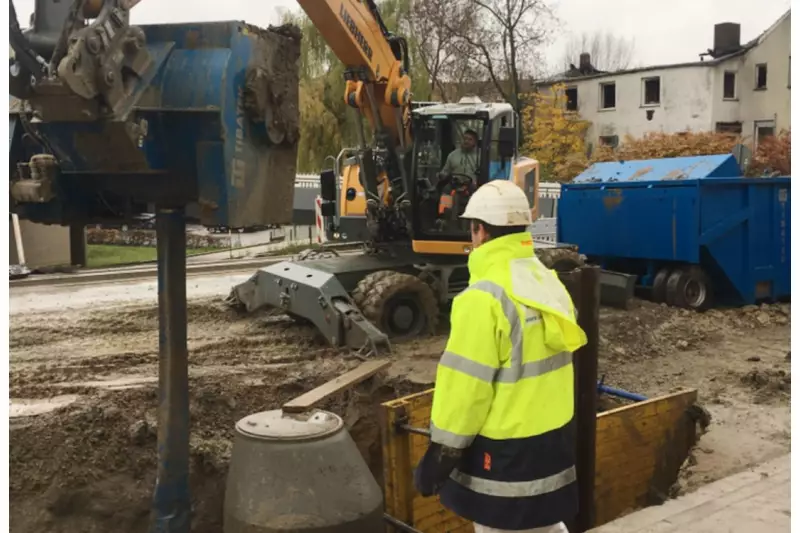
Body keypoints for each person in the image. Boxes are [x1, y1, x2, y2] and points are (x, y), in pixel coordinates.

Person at [414, 180, 588, 533]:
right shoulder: (549, 283)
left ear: (479, 230)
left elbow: (466, 390)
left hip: (505, 451)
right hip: (554, 440)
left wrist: (443, 452)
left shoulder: (482, 298)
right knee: (545, 525)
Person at [436, 129, 480, 226]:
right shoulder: (453, 155)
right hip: (454, 184)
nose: (466, 141)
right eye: (465, 138)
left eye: (470, 139)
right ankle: (444, 216)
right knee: (445, 190)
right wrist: (442, 175)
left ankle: (472, 220)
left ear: (475, 142)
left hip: (472, 186)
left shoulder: (479, 157)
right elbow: (446, 170)